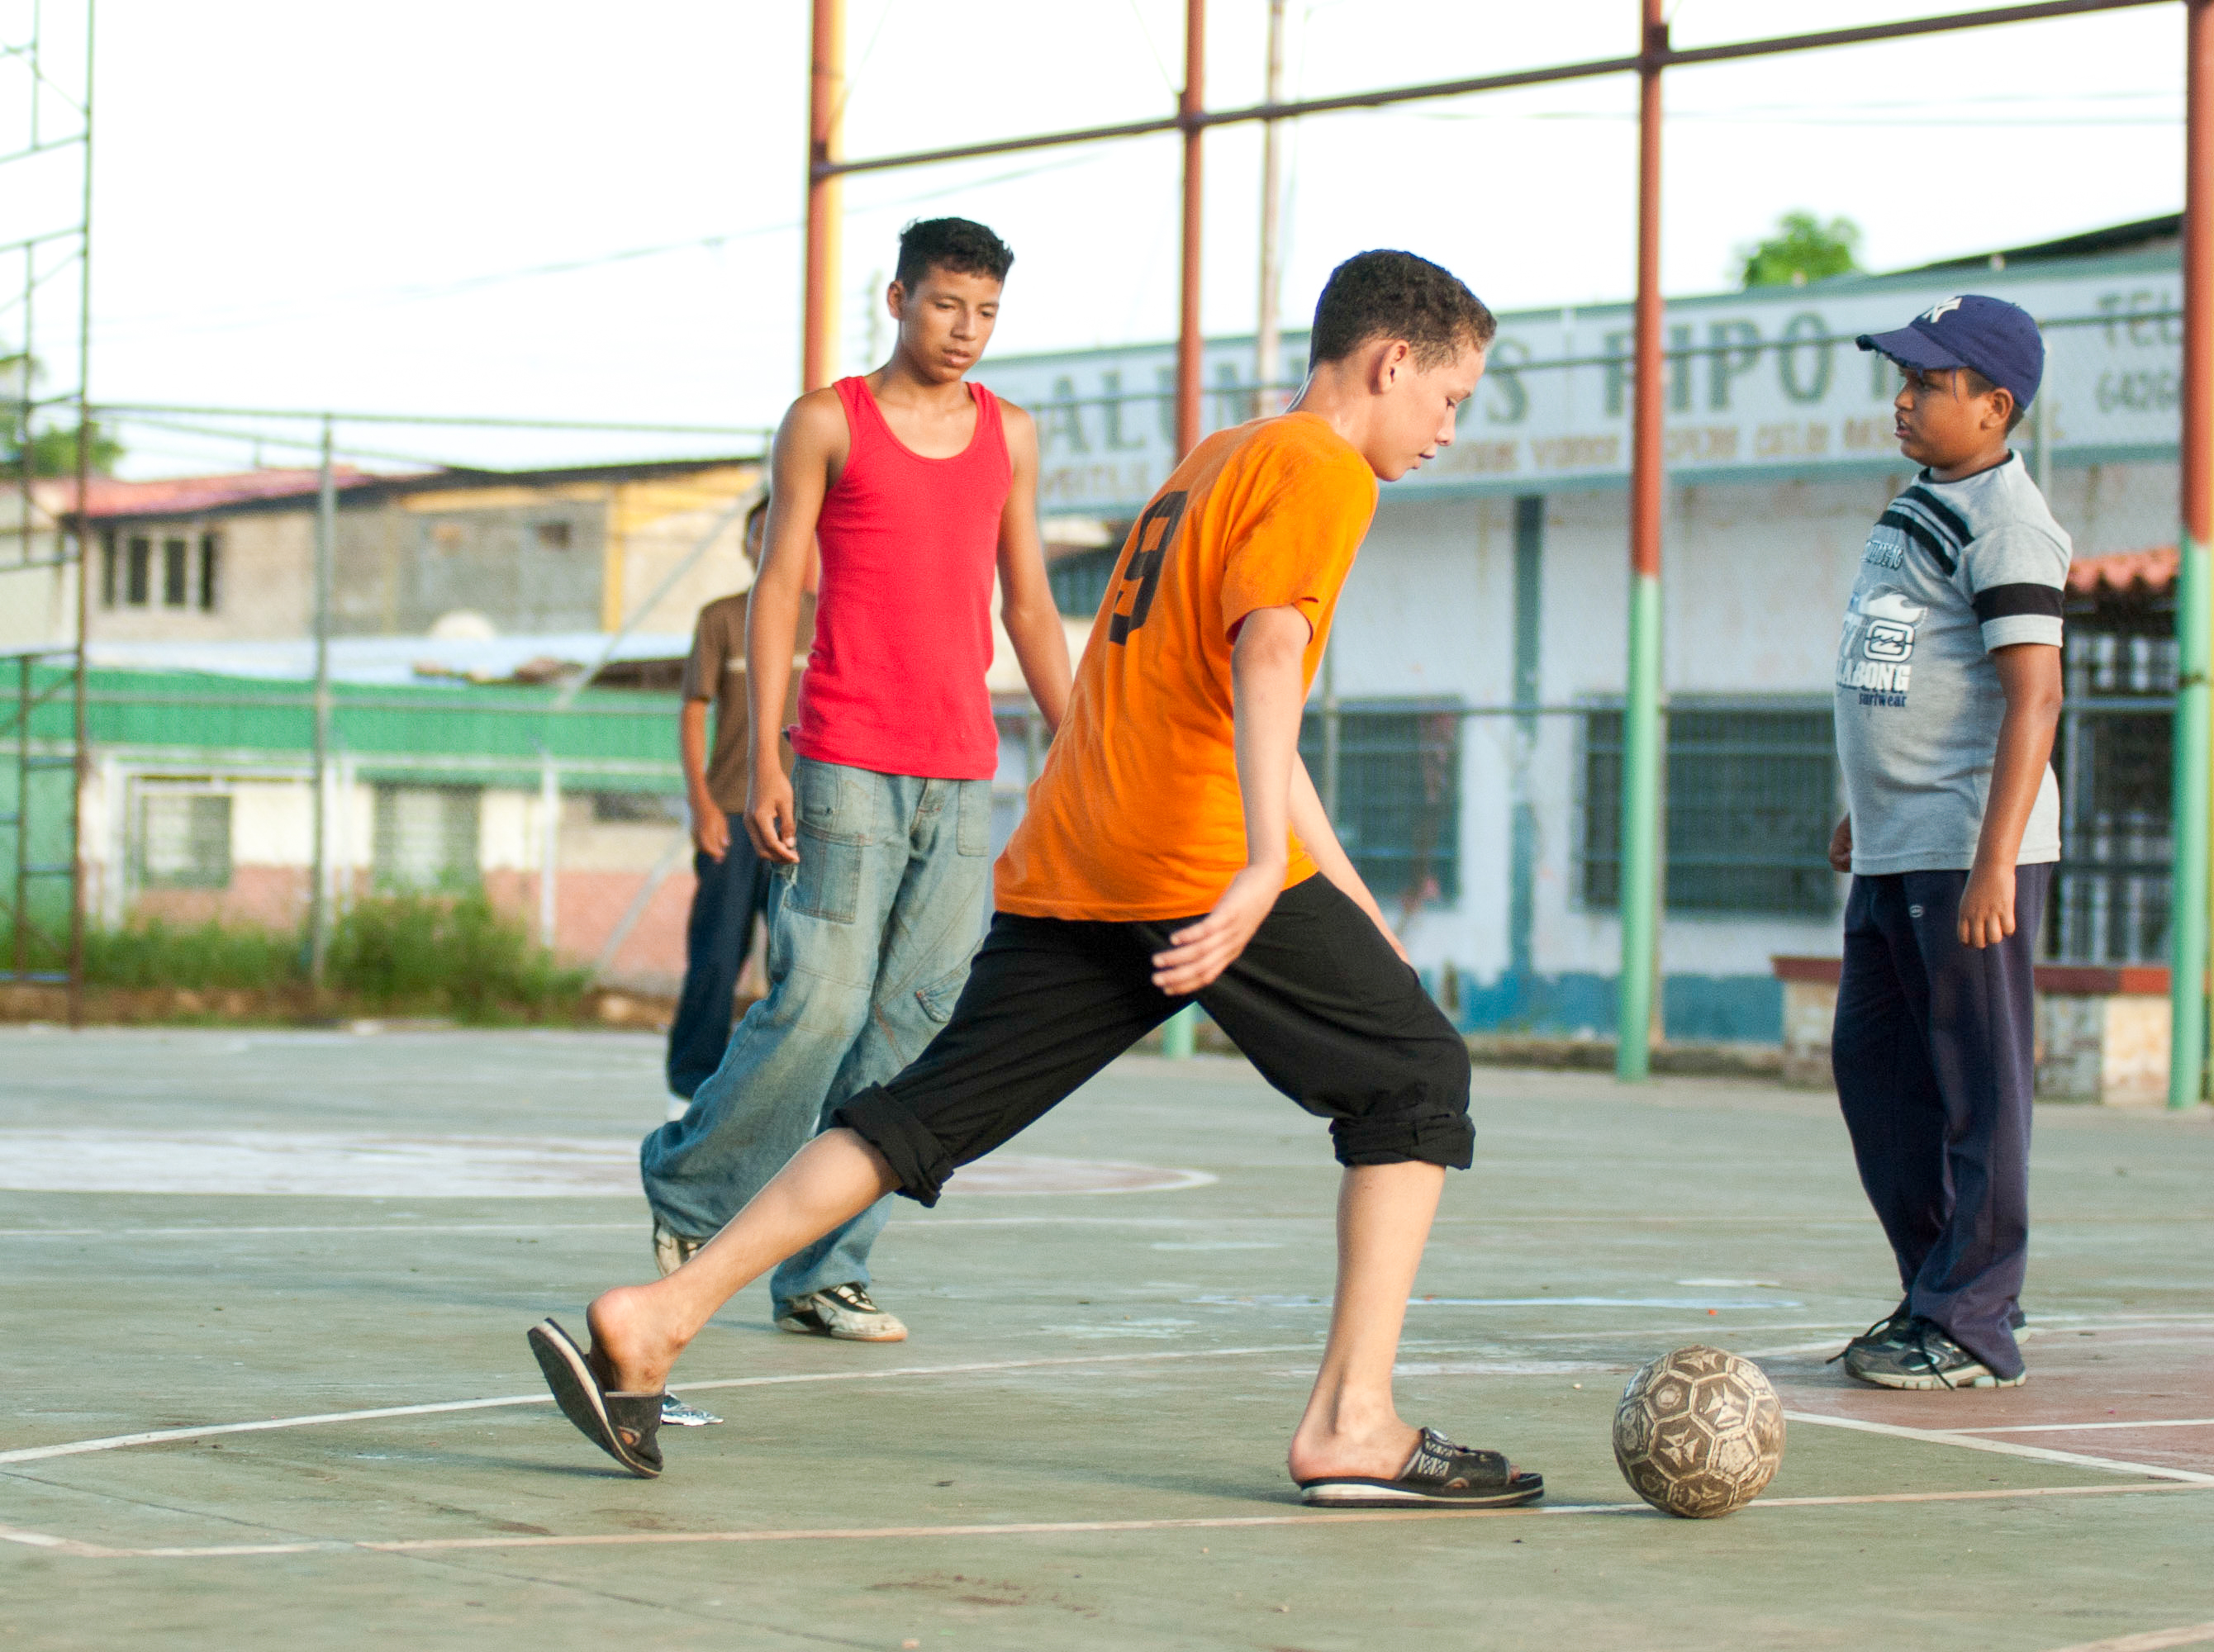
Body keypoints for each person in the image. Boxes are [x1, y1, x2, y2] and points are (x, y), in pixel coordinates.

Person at [538, 249, 1542, 1509]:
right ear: (1394, 363)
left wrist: (1334, 887)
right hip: (1182, 856)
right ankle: (1353, 1423)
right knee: (1415, 1081)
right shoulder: (1325, 471)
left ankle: (659, 1313)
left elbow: (1211, 680)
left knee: (921, 1112)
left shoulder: (1221, 457)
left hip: (1082, 850)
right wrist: (1253, 871)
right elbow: (1270, 657)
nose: (1450, 427)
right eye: (1451, 398)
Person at [636, 217, 1073, 1343]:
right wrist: (769, 754)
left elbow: (1026, 601)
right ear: (897, 299)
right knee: (819, 1003)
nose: (966, 331)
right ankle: (691, 1186)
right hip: (840, 758)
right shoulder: (828, 420)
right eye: (946, 306)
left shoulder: (1011, 436)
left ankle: (824, 1271)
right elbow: (782, 585)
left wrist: (1079, 740)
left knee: (912, 1032)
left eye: (985, 312)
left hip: (960, 768)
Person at [1829, 294, 2067, 1391]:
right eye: (1906, 379)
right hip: (1895, 844)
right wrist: (1862, 806)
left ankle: (1974, 1319)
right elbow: (1898, 666)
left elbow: (2035, 699)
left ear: (1995, 404)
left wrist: (1993, 861)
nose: (1906, 398)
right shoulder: (1923, 498)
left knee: (1980, 1087)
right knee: (1876, 1073)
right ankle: (1937, 1288)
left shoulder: (2010, 522)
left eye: (1929, 384)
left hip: (1969, 854)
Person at [662, 496, 816, 1100]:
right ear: (750, 544)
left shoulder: (830, 617)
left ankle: (782, 1088)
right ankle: (691, 1086)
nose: (771, 540)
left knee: (799, 964)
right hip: (731, 811)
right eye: (760, 532)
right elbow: (691, 711)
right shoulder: (721, 619)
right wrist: (701, 804)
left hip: (805, 820)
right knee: (717, 958)